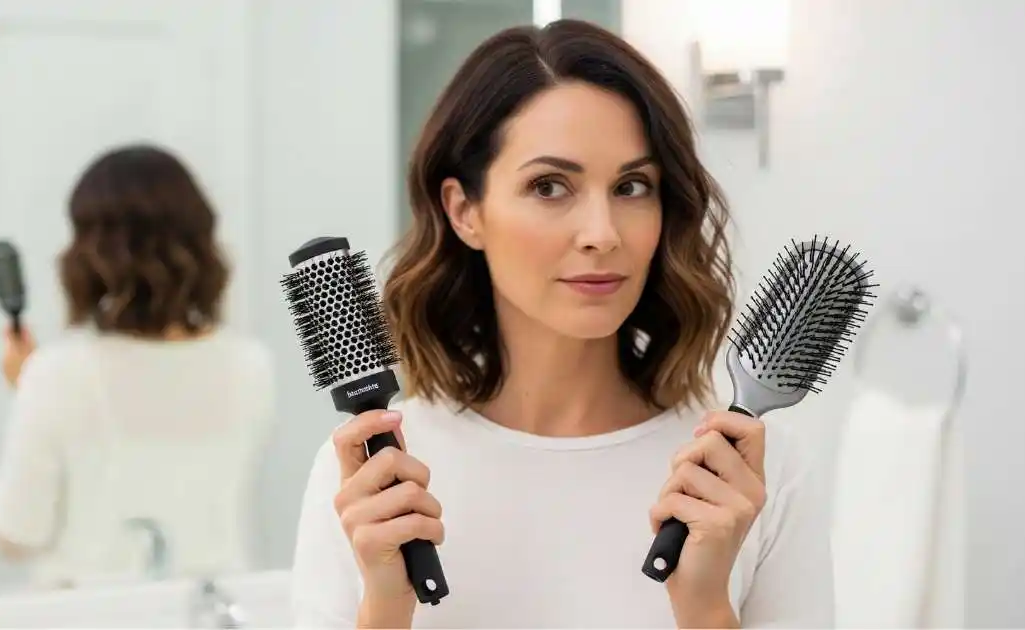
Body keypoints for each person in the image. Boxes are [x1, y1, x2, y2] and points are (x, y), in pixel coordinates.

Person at [290, 19, 832, 629]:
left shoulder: (755, 476)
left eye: (632, 186)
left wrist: (704, 607)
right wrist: (385, 607)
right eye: (549, 186)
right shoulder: (373, 482)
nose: (602, 234)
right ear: (465, 211)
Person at [0, 144, 274, 588]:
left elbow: (17, 534)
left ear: (91, 251)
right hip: (208, 612)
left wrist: (27, 391)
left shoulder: (57, 373)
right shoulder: (252, 365)